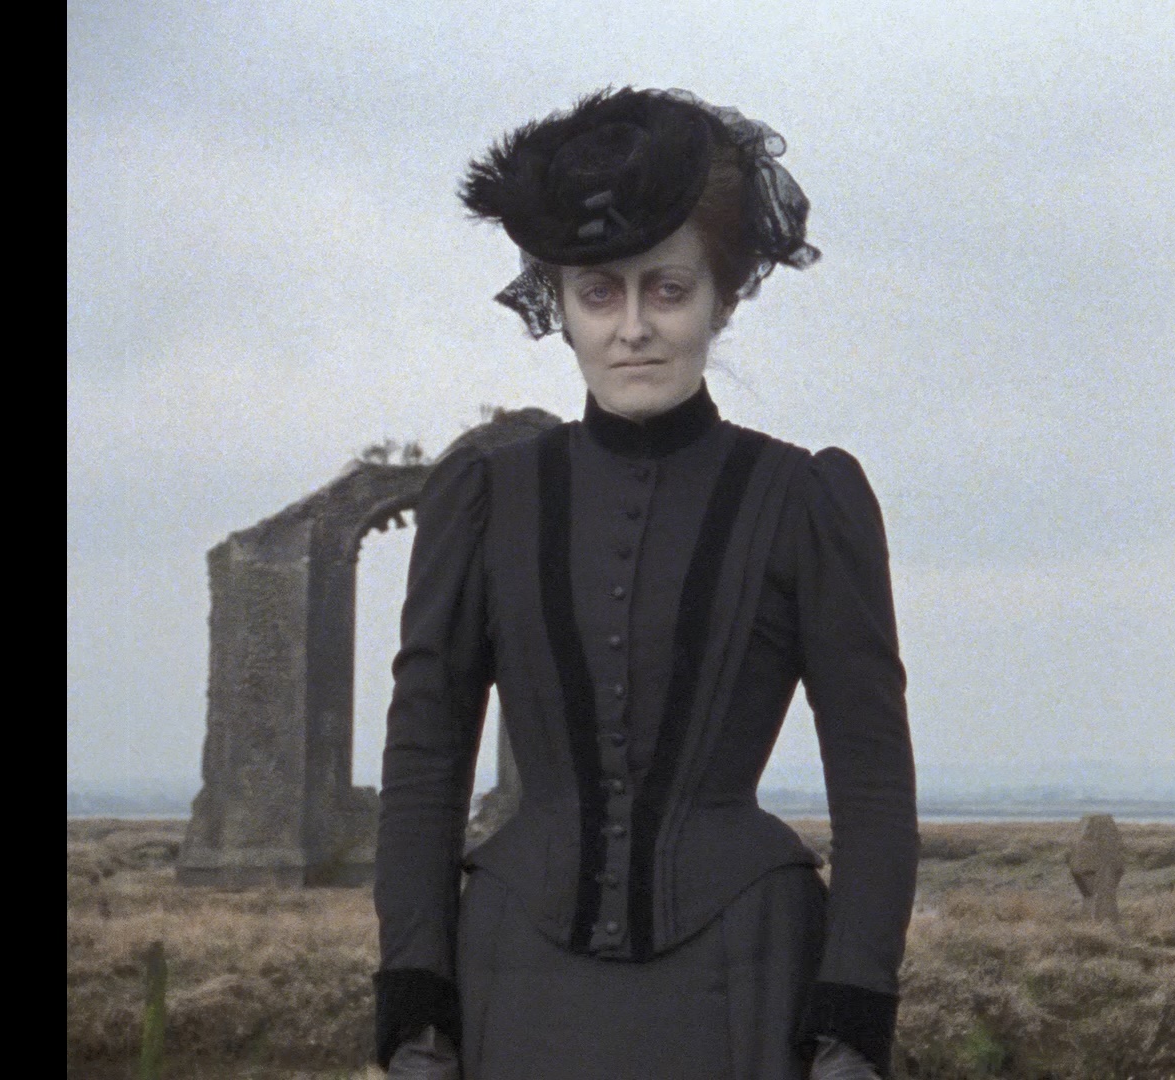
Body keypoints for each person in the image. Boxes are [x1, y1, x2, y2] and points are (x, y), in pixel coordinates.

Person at [372, 87, 918, 1080]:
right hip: (514, 981)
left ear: (721, 299)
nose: (633, 328)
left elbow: (873, 780)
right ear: (561, 308)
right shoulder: (485, 499)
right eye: (599, 294)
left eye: (666, 290)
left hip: (748, 975)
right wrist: (414, 1002)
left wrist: (853, 1013)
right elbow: (425, 760)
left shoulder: (805, 501)